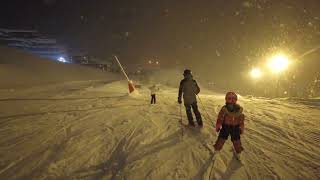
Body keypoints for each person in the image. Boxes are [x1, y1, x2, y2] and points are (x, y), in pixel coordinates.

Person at [213, 92, 245, 160]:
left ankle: (216, 151)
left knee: (223, 139)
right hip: (232, 127)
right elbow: (241, 120)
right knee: (234, 140)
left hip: (227, 127)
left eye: (232, 99)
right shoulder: (238, 109)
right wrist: (241, 128)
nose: (231, 100)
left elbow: (220, 119)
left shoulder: (226, 109)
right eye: (230, 99)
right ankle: (238, 153)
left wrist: (218, 127)